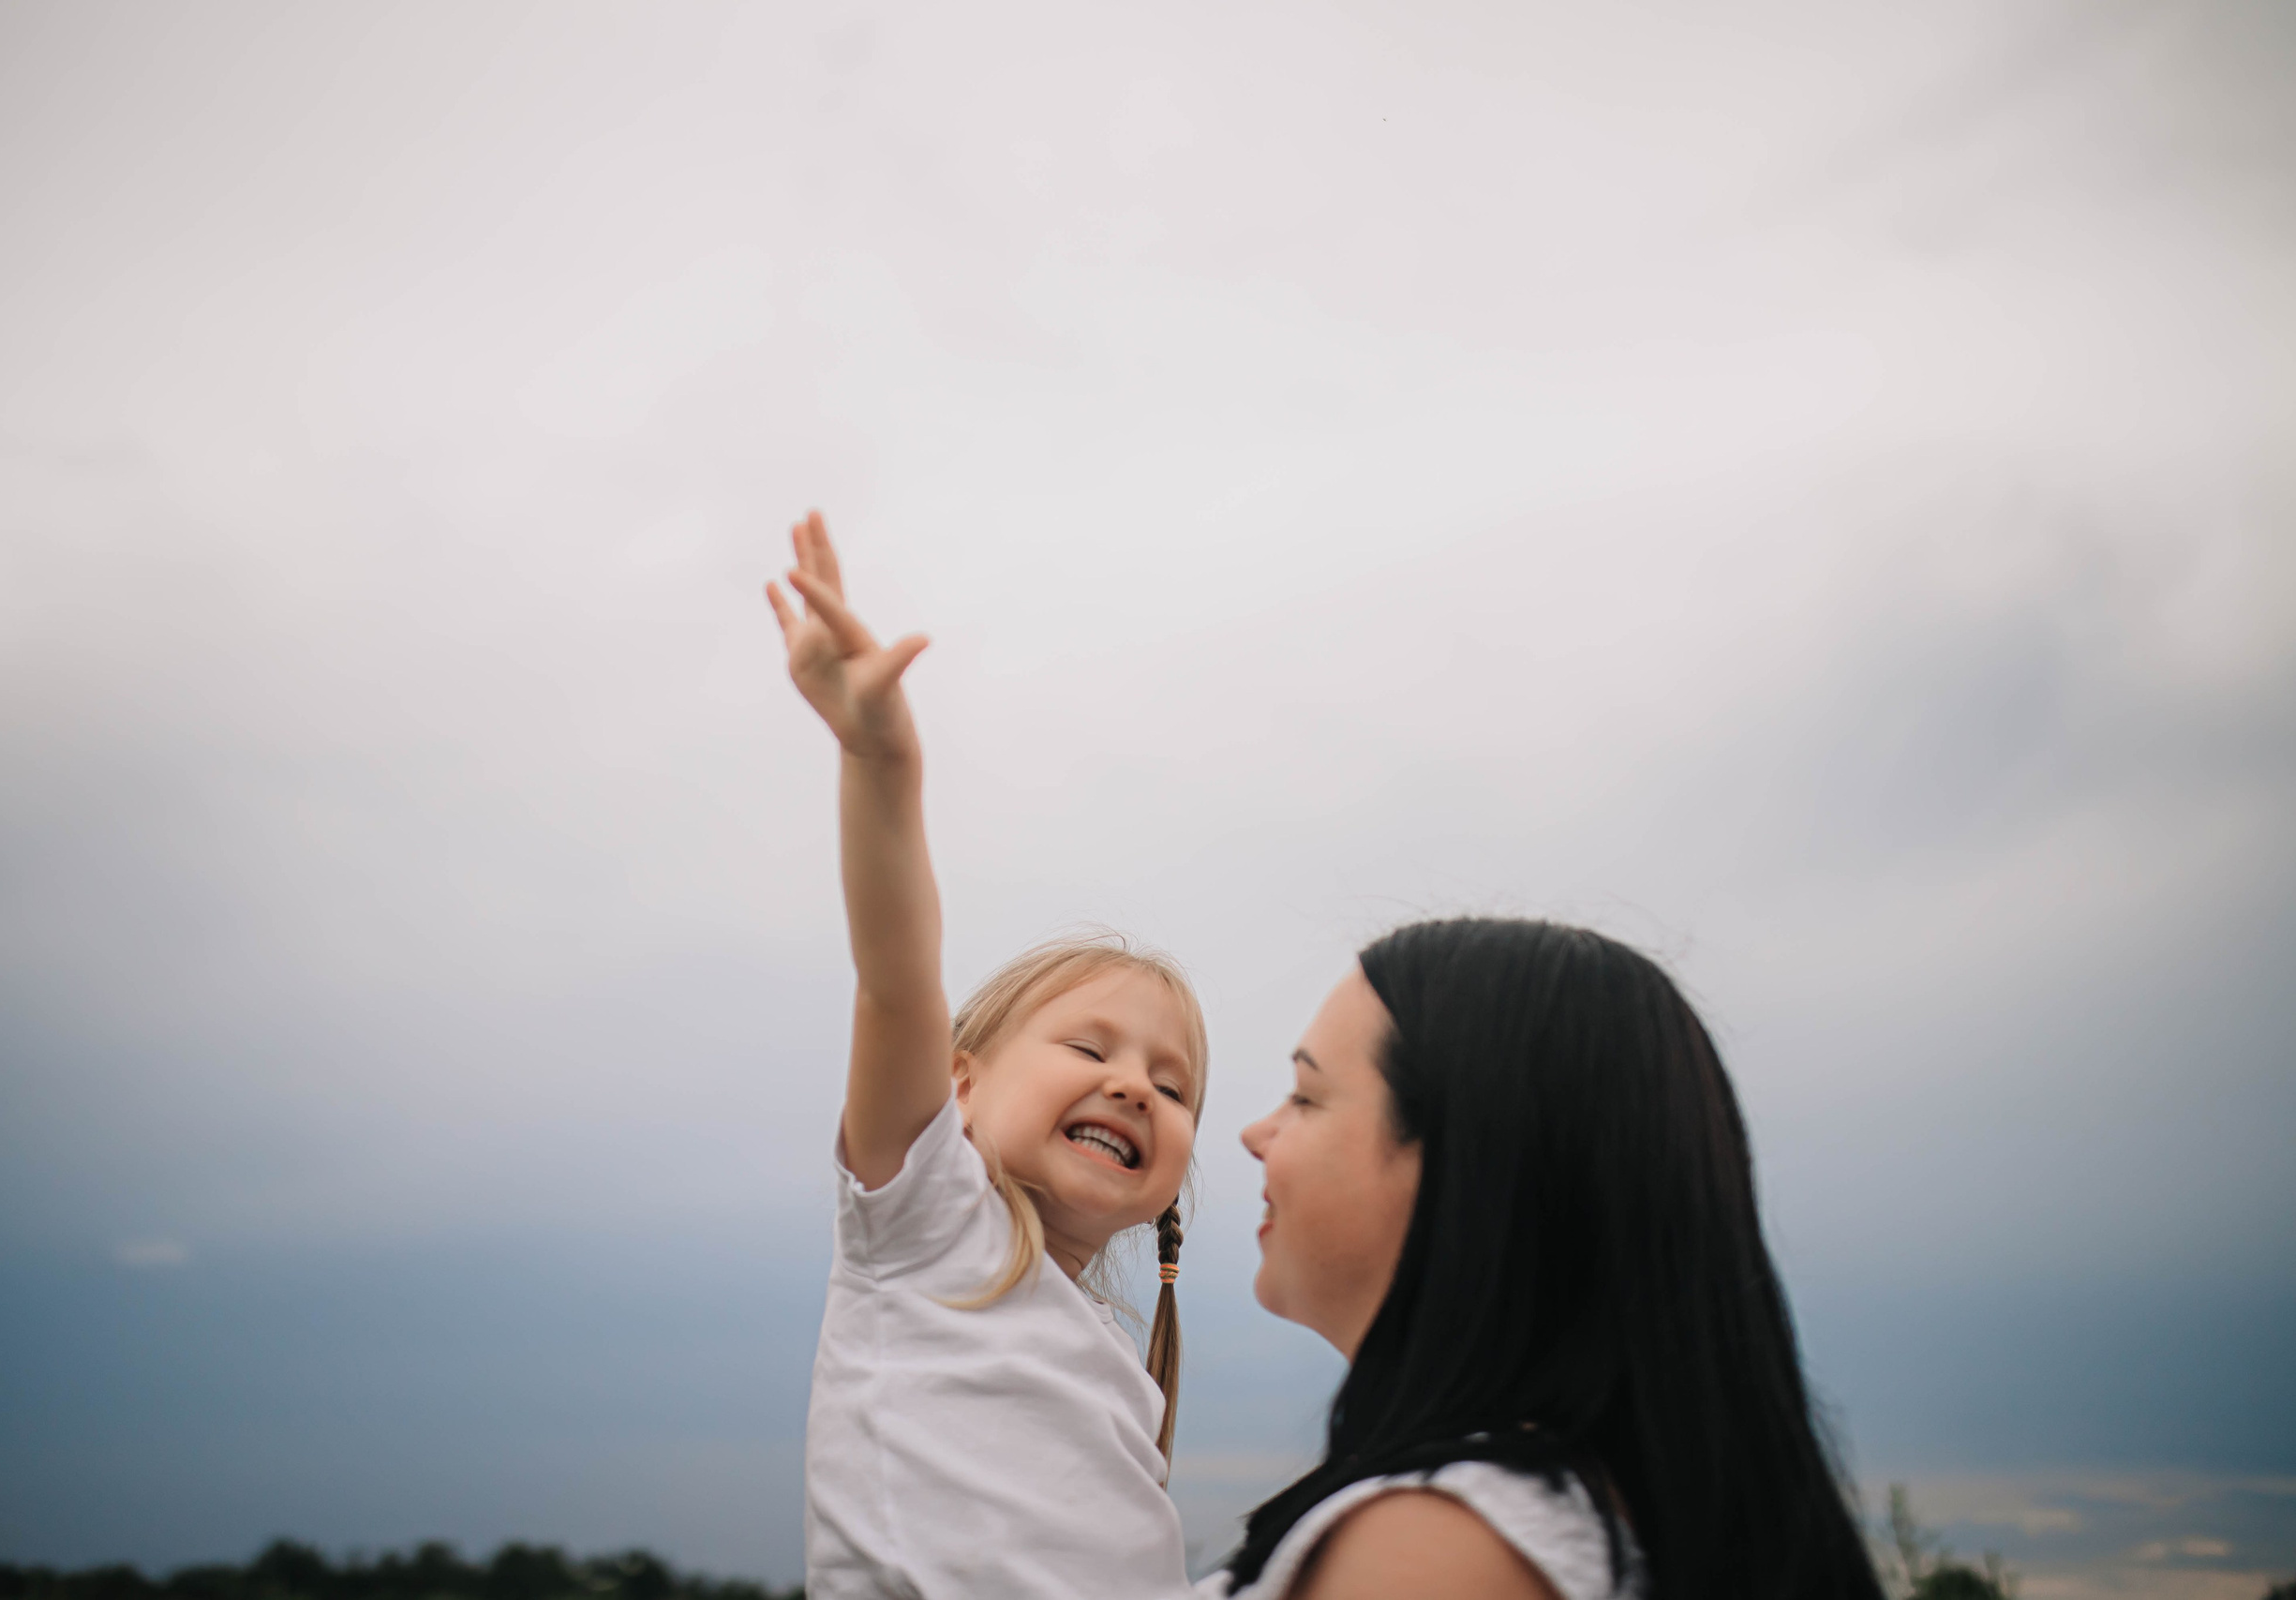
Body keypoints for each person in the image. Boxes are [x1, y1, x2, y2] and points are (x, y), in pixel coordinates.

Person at [768, 511, 1205, 1600]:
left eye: (1172, 1086)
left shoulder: (1115, 1367)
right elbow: (896, 977)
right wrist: (880, 758)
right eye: (1088, 1047)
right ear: (957, 1086)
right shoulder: (927, 1225)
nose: (1131, 1086)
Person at [1203, 918, 1883, 1600]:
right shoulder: (1557, 1511)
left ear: (1466, 1166)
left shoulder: (1440, 1552)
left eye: (1306, 1096)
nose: (1256, 1133)